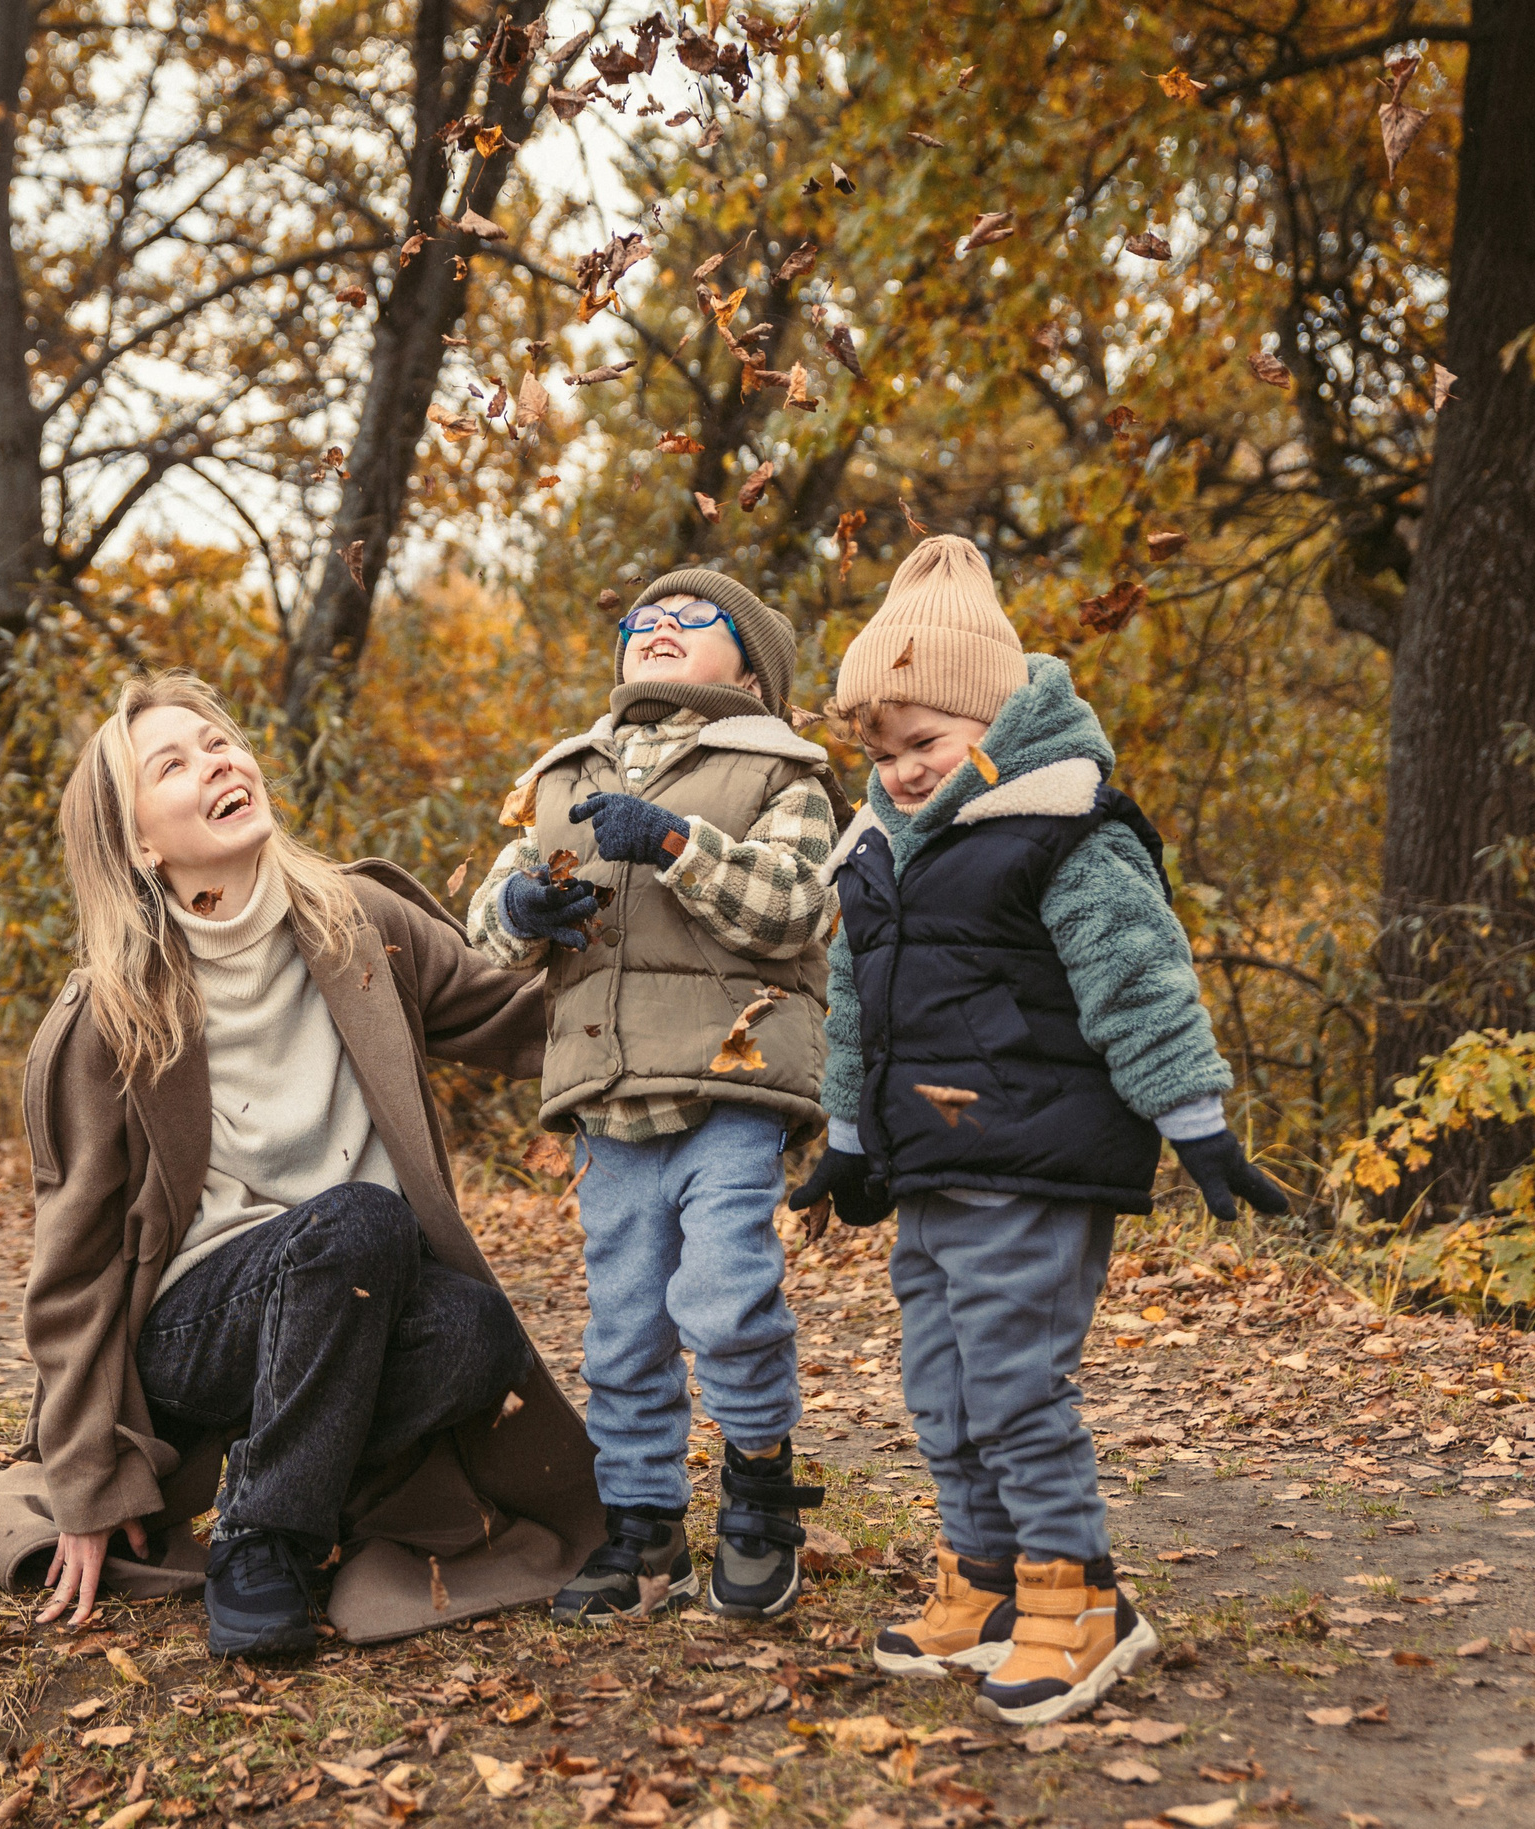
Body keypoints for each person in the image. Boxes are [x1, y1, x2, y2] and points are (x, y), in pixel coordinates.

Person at [0, 672, 603, 1657]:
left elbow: (514, 1015)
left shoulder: (361, 924)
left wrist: (665, 1005)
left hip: (359, 1289)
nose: (218, 759)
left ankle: (277, 1479)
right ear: (141, 841)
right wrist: (90, 1481)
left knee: (475, 1328)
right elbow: (74, 1268)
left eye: (220, 740)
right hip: (201, 1329)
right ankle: (260, 1539)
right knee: (358, 1219)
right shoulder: (107, 1015)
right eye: (173, 763)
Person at [791, 536, 1290, 1724]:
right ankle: (988, 1579)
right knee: (942, 1384)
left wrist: (1196, 1122)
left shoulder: (1065, 826)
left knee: (1014, 1383)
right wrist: (851, 1138)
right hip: (935, 1166)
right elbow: (856, 1008)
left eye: (924, 743)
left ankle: (1082, 1596)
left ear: (992, 719)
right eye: (880, 750)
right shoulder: (872, 853)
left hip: (1039, 1157)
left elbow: (1138, 977)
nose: (901, 772)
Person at [467, 568, 848, 1622]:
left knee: (724, 1298)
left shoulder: (782, 770)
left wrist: (678, 842)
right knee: (623, 1326)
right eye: (644, 618)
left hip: (729, 1084)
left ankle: (761, 1488)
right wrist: (523, 903)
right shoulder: (561, 775)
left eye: (694, 619)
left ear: (753, 664)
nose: (660, 628)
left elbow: (797, 909)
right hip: (606, 1090)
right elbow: (482, 937)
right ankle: (641, 1531)